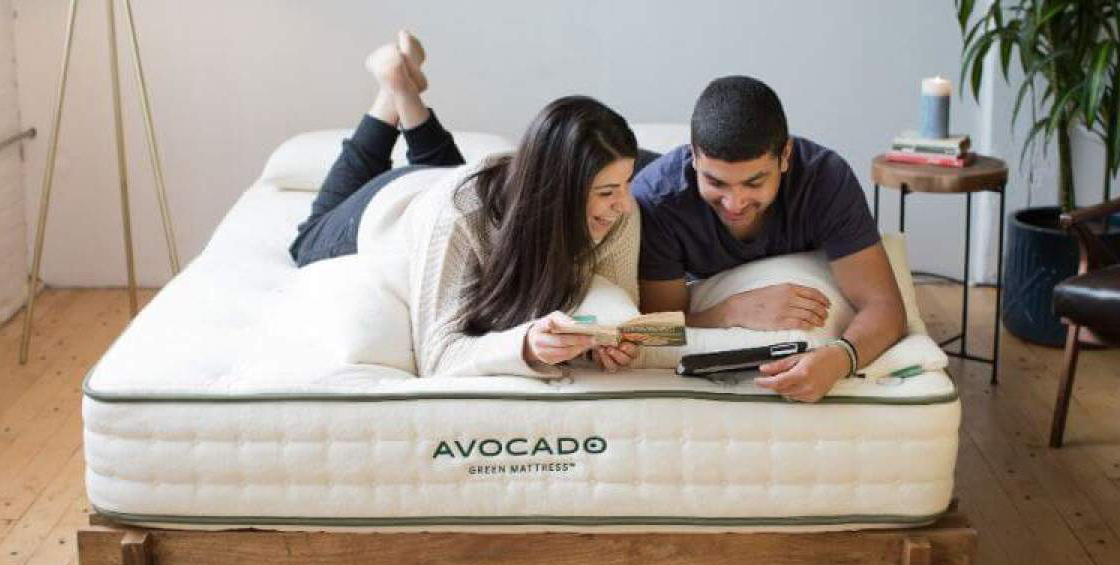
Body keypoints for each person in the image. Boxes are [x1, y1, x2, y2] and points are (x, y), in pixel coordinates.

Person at [288, 32, 642, 377]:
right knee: (306, 241)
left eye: (626, 184)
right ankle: (391, 92)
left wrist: (606, 344)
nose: (624, 205)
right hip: (393, 203)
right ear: (556, 189)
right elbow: (438, 355)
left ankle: (405, 91)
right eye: (607, 192)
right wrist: (525, 347)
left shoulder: (620, 211)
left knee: (444, 171)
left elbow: (614, 308)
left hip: (455, 179)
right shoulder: (459, 216)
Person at [634, 76, 906, 402]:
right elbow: (654, 329)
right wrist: (731, 312)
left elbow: (885, 307)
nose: (734, 203)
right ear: (693, 155)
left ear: (785, 155)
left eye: (754, 182)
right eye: (715, 182)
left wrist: (840, 358)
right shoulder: (656, 200)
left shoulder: (825, 180)